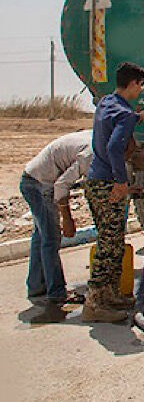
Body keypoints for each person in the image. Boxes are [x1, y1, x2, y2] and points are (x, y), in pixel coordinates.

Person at [82, 62, 144, 323]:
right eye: (140, 86)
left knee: (112, 239)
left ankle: (109, 295)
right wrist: (120, 181)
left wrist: (140, 116)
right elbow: (115, 148)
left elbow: (118, 118)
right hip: (107, 183)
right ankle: (94, 303)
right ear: (133, 84)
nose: (141, 91)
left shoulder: (106, 103)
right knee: (108, 244)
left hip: (94, 181)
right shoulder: (123, 113)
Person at [20, 130, 92, 305]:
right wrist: (67, 219)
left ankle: (36, 286)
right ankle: (57, 293)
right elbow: (61, 185)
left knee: (41, 237)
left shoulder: (93, 135)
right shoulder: (91, 152)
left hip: (30, 179)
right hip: (40, 184)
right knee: (51, 239)